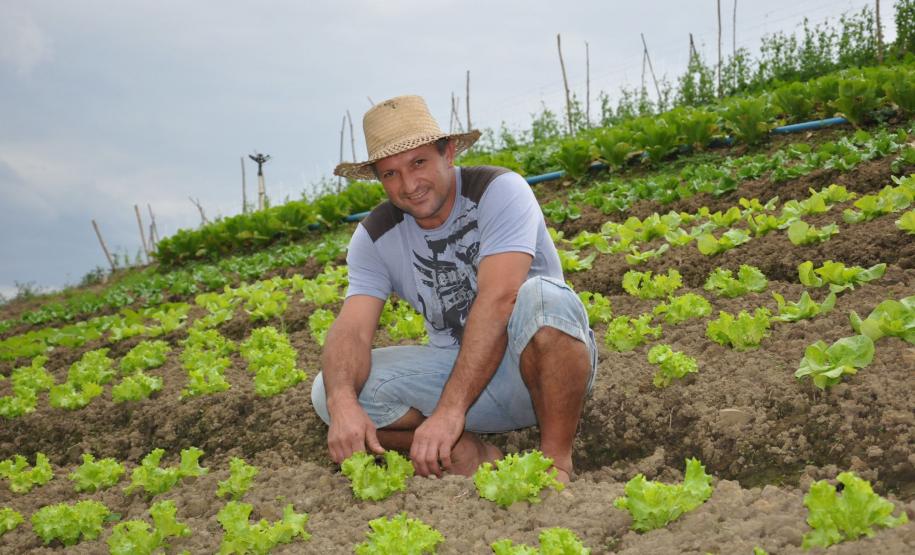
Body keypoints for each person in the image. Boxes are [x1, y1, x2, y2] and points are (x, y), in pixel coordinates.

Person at [311, 95, 597, 482]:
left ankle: (555, 462)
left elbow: (500, 298)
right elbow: (353, 330)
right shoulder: (374, 236)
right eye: (391, 174)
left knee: (543, 298)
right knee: (328, 391)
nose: (409, 185)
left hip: (539, 373)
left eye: (418, 163)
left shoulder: (498, 190)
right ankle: (465, 448)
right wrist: (342, 401)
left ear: (447, 153)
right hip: (459, 376)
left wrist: (449, 411)